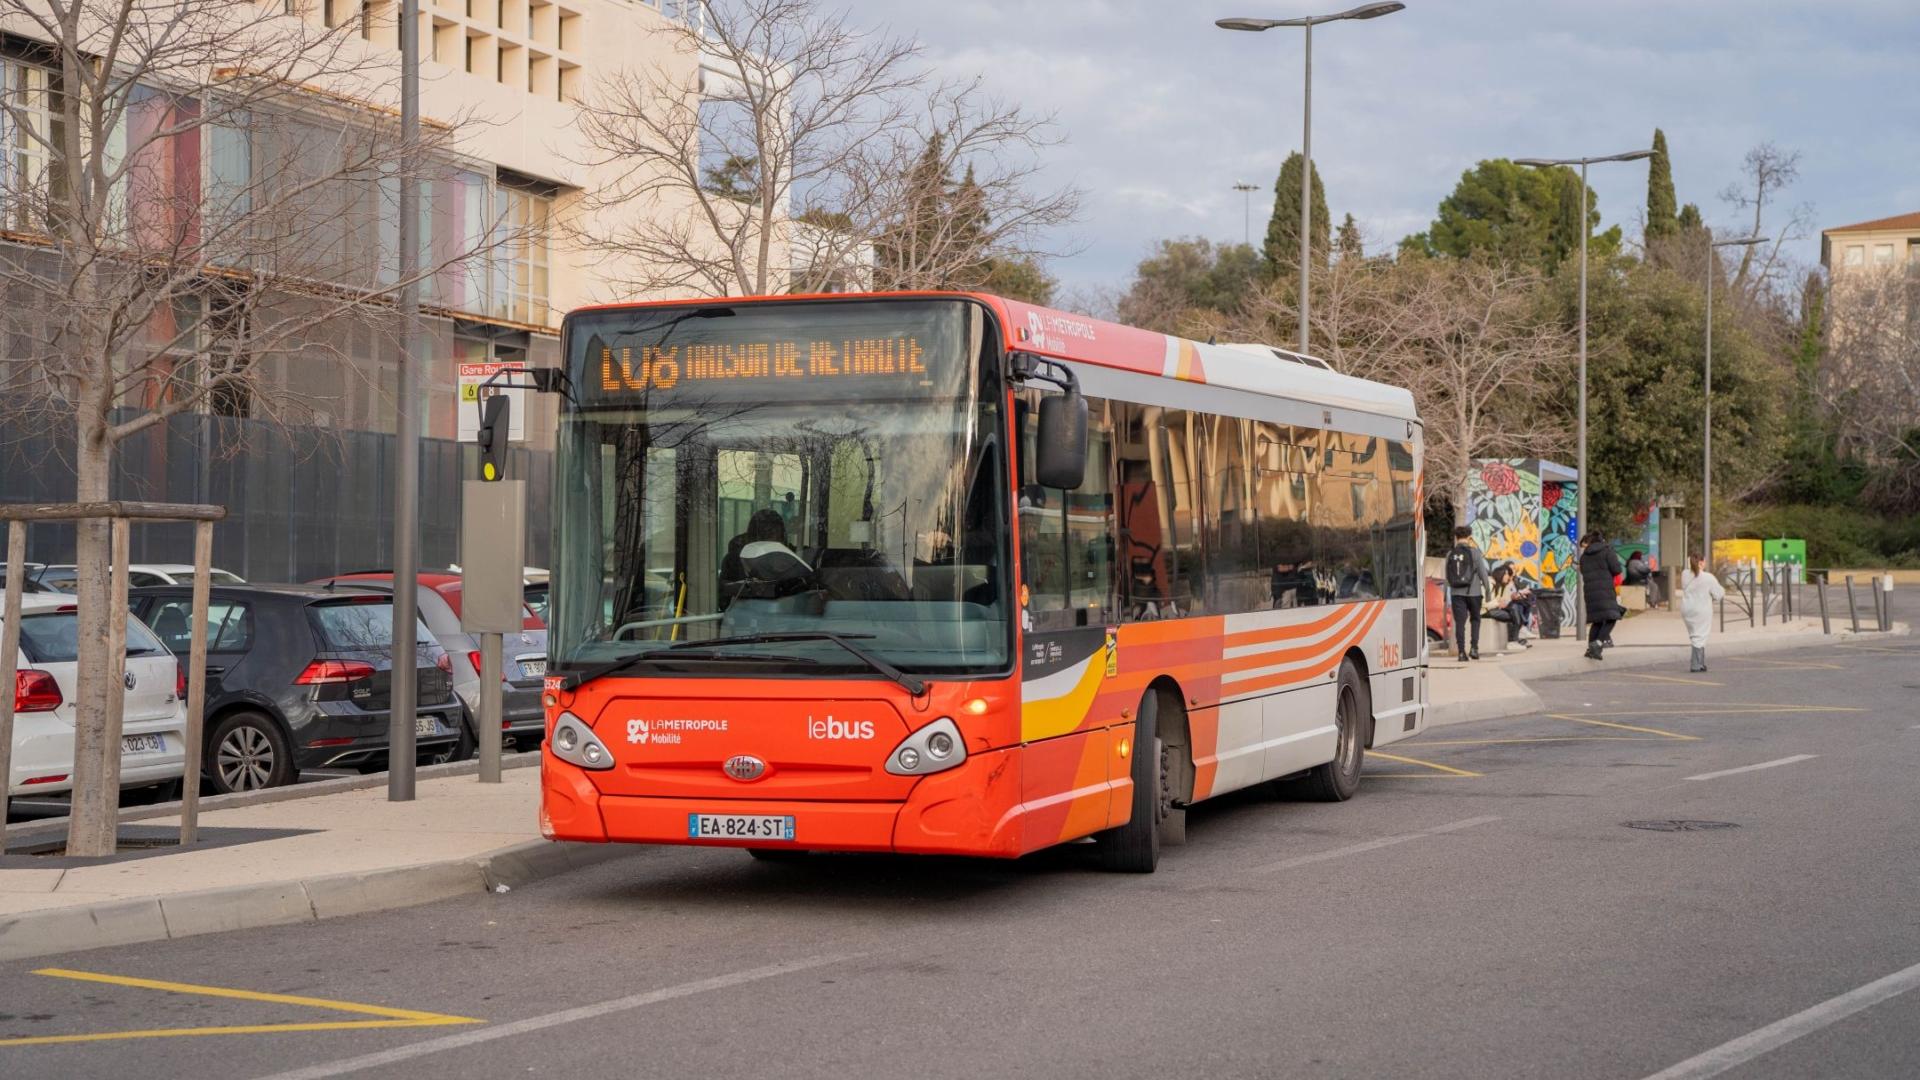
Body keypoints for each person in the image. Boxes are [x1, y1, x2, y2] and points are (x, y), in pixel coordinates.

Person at [1444, 524, 1491, 662]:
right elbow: (1483, 574)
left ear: (1456, 537)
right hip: (1474, 593)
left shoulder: (1450, 554)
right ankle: (1474, 648)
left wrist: (1444, 597)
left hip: (1456, 594)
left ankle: (1461, 653)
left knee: (1460, 623)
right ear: (1469, 537)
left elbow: (1447, 576)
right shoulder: (1475, 552)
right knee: (1475, 619)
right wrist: (1488, 592)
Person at [1579, 529, 1624, 660]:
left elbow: (1583, 572)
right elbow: (1617, 569)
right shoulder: (1607, 551)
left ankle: (1590, 649)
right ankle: (1598, 643)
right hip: (1605, 589)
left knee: (1597, 620)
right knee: (1612, 617)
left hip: (1590, 592)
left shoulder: (1584, 556)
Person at [1680, 552, 1726, 672]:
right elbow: (1719, 593)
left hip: (1687, 609)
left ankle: (1700, 663)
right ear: (1701, 563)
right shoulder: (1708, 577)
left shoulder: (1684, 574)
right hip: (1701, 609)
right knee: (1700, 636)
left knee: (1695, 635)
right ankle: (1696, 664)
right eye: (1704, 561)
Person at [1485, 563, 1535, 649]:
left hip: (1494, 608)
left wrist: (1500, 602)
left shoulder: (1500, 585)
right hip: (1486, 611)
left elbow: (1503, 600)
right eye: (1506, 574)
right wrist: (1498, 603)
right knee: (1513, 613)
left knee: (1516, 608)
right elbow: (1483, 604)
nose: (1508, 576)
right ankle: (1512, 641)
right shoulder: (1490, 585)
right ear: (1500, 575)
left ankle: (1514, 639)